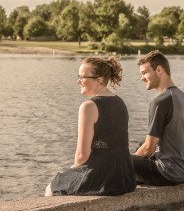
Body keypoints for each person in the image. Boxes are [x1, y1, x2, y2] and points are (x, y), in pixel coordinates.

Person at [45, 56, 136, 196]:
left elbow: (82, 155)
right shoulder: (120, 102)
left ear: (99, 80)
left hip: (104, 179)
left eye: (82, 77)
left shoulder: (89, 106)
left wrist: (72, 170)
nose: (78, 81)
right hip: (125, 177)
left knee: (52, 187)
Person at [132, 50, 184, 186]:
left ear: (159, 69)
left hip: (168, 173)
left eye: (144, 73)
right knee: (140, 145)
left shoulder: (160, 102)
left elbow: (149, 149)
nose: (142, 78)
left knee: (117, 160)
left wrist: (128, 162)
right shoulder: (183, 97)